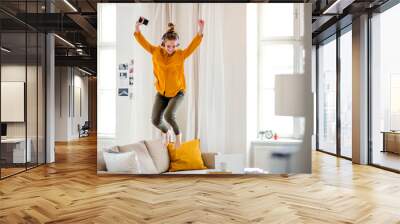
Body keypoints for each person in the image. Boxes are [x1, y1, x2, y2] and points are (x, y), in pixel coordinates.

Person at [134, 17, 205, 149]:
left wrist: (200, 30)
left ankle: (178, 135)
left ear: (176, 45)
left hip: (178, 92)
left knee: (168, 115)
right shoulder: (155, 52)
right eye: (168, 46)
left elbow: (193, 46)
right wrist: (137, 27)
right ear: (163, 44)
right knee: (155, 120)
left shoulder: (181, 55)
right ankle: (166, 131)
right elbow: (142, 42)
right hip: (161, 92)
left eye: (173, 46)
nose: (171, 48)